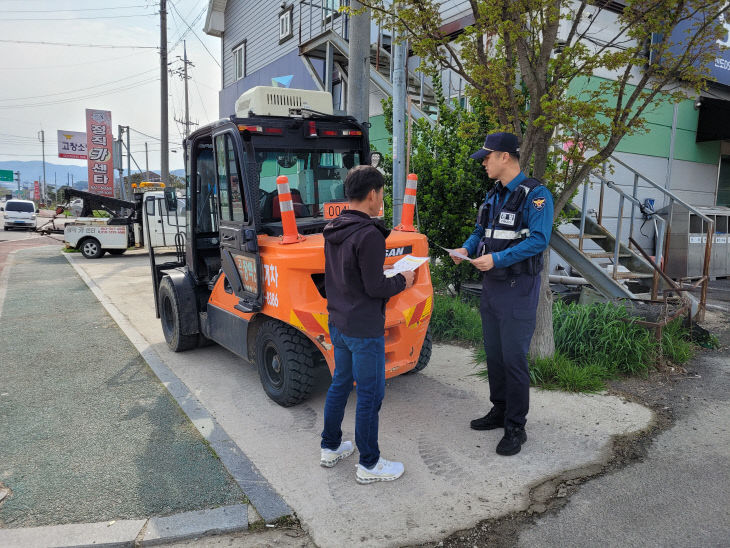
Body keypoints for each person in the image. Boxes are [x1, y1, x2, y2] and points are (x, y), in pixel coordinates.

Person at [451, 132, 553, 456]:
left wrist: (497, 258)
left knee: (513, 360)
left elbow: (538, 240)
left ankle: (515, 427)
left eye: (487, 157)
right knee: (494, 357)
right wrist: (465, 248)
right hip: (492, 288)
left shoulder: (536, 196)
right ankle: (499, 410)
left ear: (505, 157)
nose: (483, 162)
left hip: (518, 290)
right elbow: (481, 231)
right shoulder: (494, 194)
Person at [320, 164, 415, 483]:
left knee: (341, 384)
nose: (382, 198)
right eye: (382, 193)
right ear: (373, 194)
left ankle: (330, 446)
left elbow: (346, 276)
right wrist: (403, 279)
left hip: (340, 322)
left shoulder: (334, 227)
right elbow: (376, 288)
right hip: (363, 327)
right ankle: (369, 464)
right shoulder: (369, 234)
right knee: (371, 395)